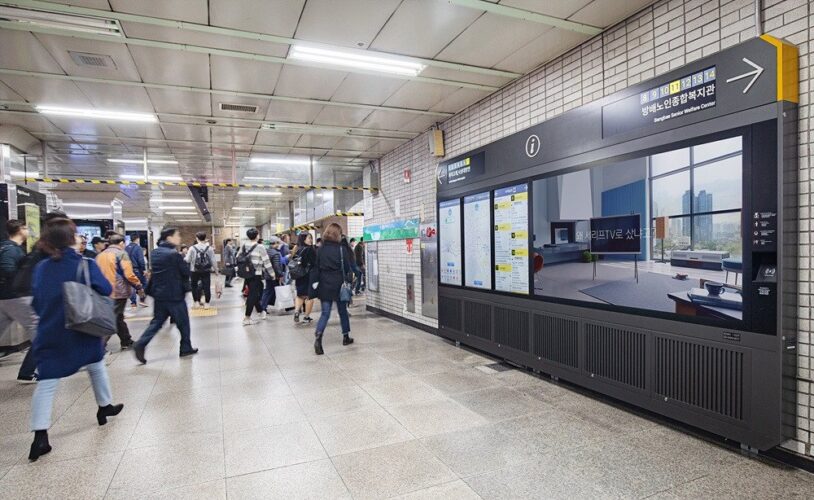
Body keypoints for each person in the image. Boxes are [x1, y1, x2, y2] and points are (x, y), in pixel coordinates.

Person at [28, 217, 124, 462]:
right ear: (72, 238)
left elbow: (37, 302)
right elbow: (104, 288)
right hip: (82, 328)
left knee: (47, 383)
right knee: (96, 364)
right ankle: (104, 407)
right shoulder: (85, 264)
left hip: (51, 330)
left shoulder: (42, 268)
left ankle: (40, 436)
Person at [133, 227, 197, 364]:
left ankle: (141, 343)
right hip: (174, 295)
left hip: (159, 294)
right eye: (177, 235)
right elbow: (185, 272)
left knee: (156, 322)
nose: (179, 238)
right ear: (169, 237)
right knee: (183, 323)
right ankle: (185, 347)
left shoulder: (155, 252)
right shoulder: (173, 254)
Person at [0, 220, 39, 383]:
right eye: (25, 228)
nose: (27, 231)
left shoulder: (6, 247)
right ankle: (27, 372)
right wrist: (22, 280)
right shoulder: (10, 250)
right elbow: (7, 268)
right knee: (39, 332)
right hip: (16, 297)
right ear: (20, 230)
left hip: (6, 297)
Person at [309, 223, 354, 355]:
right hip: (339, 285)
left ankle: (318, 335)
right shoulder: (341, 249)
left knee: (325, 313)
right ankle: (346, 337)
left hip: (324, 285)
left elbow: (316, 268)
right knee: (342, 311)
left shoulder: (320, 249)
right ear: (337, 234)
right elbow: (346, 267)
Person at [96, 233, 143, 350]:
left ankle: (126, 340)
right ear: (121, 243)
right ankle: (99, 345)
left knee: (117, 316)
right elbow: (128, 274)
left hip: (102, 290)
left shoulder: (101, 255)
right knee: (114, 317)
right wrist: (138, 285)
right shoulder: (121, 254)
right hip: (117, 290)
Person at [238, 228, 273, 325]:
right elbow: (266, 261)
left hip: (246, 273)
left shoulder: (244, 245)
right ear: (257, 235)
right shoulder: (260, 247)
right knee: (252, 295)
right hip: (256, 273)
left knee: (255, 292)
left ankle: (260, 311)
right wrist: (272, 273)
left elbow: (238, 257)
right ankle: (247, 317)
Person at [187, 231, 217, 309]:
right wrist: (216, 270)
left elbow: (187, 260)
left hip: (194, 270)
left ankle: (196, 302)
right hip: (206, 270)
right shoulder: (209, 248)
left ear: (197, 238)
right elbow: (213, 260)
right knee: (206, 286)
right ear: (205, 238)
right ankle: (207, 303)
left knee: (194, 286)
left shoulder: (192, 248)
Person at [292, 232, 316, 324]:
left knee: (300, 295)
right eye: (309, 238)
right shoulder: (310, 249)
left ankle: (297, 311)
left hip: (299, 276)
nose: (310, 240)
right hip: (308, 275)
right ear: (304, 239)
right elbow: (314, 263)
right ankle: (306, 317)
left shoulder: (296, 248)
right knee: (310, 297)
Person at [260, 237, 285, 318]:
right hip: (274, 276)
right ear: (275, 243)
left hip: (267, 274)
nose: (278, 245)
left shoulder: (266, 252)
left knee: (269, 291)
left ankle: (264, 307)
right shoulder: (275, 253)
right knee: (269, 292)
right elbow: (277, 266)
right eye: (278, 243)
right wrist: (280, 275)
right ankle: (263, 308)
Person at [125, 234, 148, 309]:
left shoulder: (126, 248)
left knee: (131, 286)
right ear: (137, 239)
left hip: (128, 269)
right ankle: (142, 299)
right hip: (137, 269)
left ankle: (133, 303)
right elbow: (141, 260)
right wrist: (144, 269)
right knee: (143, 284)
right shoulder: (138, 248)